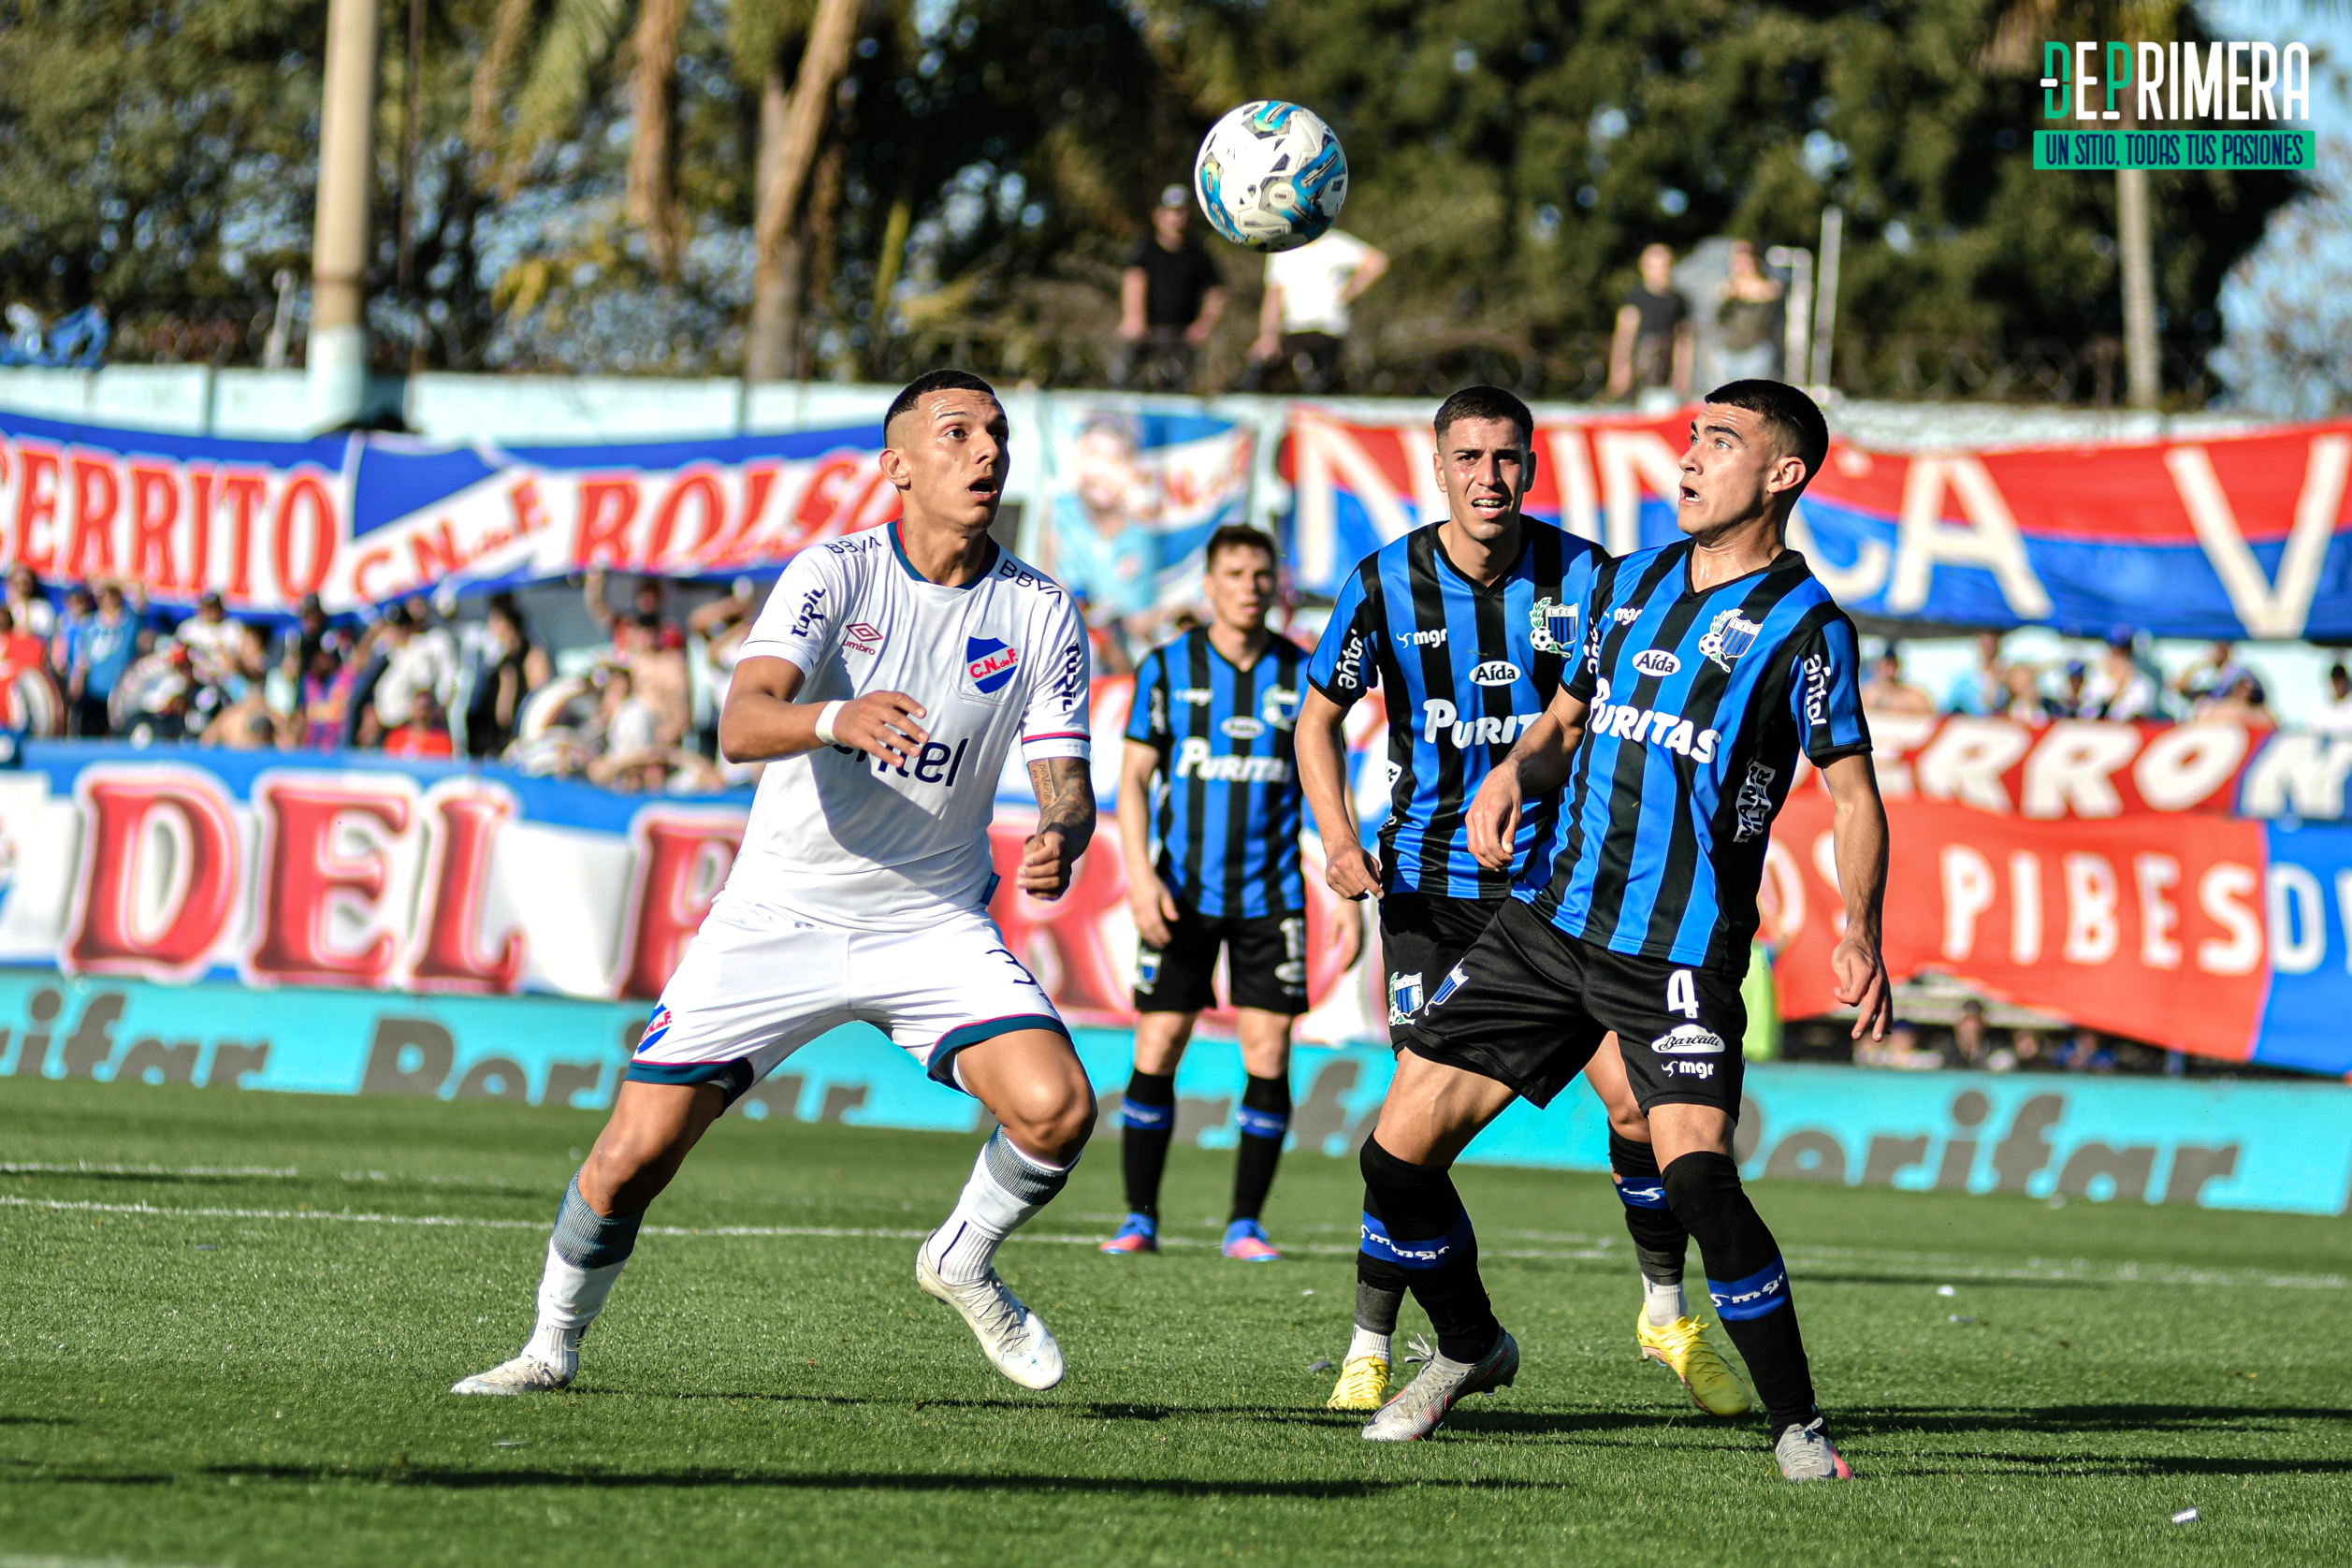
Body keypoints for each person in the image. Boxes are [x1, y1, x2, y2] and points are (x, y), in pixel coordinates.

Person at [451, 370, 1100, 1400]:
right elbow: (740, 724)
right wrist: (839, 717)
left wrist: (1063, 830)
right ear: (897, 467)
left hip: (930, 920)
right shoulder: (834, 573)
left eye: (998, 434)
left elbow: (1067, 777)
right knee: (633, 1156)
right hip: (778, 914)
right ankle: (549, 1344)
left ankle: (960, 1257)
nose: (986, 451)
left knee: (1058, 1107)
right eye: (956, 432)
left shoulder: (1039, 610)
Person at [1351, 382, 1889, 1488]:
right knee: (1393, 1158)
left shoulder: (1806, 625)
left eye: (1723, 442)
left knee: (1696, 1177)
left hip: (1678, 948)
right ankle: (1468, 1344)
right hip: (1547, 923)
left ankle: (1798, 1425)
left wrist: (1860, 931)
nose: (1690, 458)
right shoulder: (1631, 581)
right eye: (1691, 436)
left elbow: (1850, 793)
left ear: (1784, 475)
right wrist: (1512, 772)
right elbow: (1568, 718)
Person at [1293, 385, 1606, 1412]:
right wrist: (1339, 839)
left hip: (1557, 894)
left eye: (1507, 456)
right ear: (1438, 468)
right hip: (1426, 887)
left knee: (1645, 1116)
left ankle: (1666, 1310)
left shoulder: (1583, 577)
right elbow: (1317, 721)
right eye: (1468, 457)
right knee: (1406, 1139)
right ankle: (1388, 1338)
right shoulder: (1384, 582)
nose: (1489, 476)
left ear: (1532, 464)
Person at [1103, 524, 1357, 1263]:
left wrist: (1343, 892)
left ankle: (1245, 1224)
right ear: (1209, 586)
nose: (1248, 586)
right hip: (1179, 893)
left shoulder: (1303, 675)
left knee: (1269, 1050)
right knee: (1159, 1040)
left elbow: (1328, 782)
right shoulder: (1166, 668)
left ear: (1276, 587)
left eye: (1260, 574)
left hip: (1270, 897)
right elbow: (1132, 782)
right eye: (1235, 573)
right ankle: (1139, 1218)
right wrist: (1140, 879)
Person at [1039, 413, 1160, 670]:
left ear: (1132, 469)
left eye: (1116, 459)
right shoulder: (1057, 515)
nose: (1102, 471)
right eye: (1093, 454)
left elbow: (1142, 622)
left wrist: (1111, 631)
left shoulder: (1141, 538)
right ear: (1076, 459)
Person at [1245, 227, 1388, 395]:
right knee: (1261, 376)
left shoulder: (1334, 243)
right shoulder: (1281, 249)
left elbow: (1377, 261)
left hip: (1327, 330)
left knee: (1319, 383)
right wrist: (1268, 335)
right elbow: (1273, 296)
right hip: (1293, 330)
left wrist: (1352, 290)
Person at [1114, 186, 1227, 392]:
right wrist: (1134, 317)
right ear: (1158, 215)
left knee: (1178, 389)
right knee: (1124, 384)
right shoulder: (1145, 249)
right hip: (1146, 337)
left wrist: (1204, 324)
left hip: (1181, 340)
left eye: (1181, 211)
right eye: (1170, 211)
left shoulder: (1198, 253)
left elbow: (1216, 292)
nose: (1176, 217)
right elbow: (1134, 280)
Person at [1606, 244, 1694, 402]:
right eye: (1654, 266)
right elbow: (1624, 337)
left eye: (1664, 266)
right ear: (1643, 267)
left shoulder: (1678, 301)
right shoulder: (1634, 298)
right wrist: (1618, 371)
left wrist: (1682, 377)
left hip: (1665, 371)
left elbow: (1684, 341)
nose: (1660, 271)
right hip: (1638, 371)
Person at [66, 583, 138, 738]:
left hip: (121, 695)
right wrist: (77, 681)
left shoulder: (129, 623)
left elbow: (140, 595)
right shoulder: (88, 626)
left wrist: (111, 578)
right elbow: (81, 662)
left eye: (112, 594)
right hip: (94, 697)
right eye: (103, 595)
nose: (108, 599)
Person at [1712, 240, 1785, 383]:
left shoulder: (1768, 286)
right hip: (1726, 352)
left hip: (1756, 352)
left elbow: (1769, 292)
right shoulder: (1728, 287)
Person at [2083, 628, 2161, 720]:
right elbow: (2085, 714)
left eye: (2123, 651)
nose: (2117, 657)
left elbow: (2144, 720)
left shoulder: (2143, 685)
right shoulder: (2094, 679)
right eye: (2113, 650)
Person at [1859, 646, 1937, 716]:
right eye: (1886, 665)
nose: (1889, 670)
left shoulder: (1914, 697)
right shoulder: (1865, 695)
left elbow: (1931, 719)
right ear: (1874, 666)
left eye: (1893, 665)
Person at [2311, 664, 2352, 735]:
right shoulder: (2325, 708)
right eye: (2334, 680)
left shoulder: (2349, 707)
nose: (2337, 684)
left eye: (2339, 680)